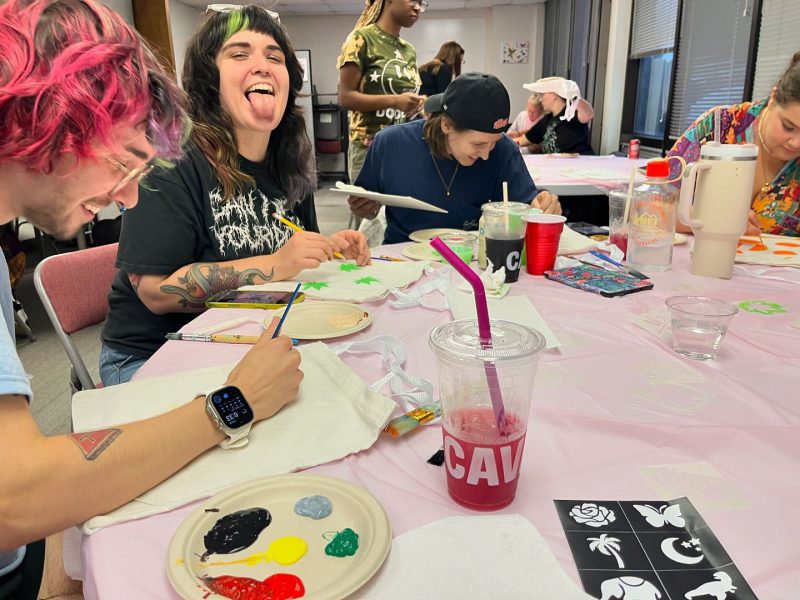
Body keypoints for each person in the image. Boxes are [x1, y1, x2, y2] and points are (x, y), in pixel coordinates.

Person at [0, 0, 302, 596]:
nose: (132, 201)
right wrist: (230, 405)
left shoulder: (285, 167)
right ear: (57, 114)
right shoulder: (186, 170)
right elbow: (15, 496)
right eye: (126, 158)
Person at [100, 6, 370, 385]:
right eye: (239, 53)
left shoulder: (290, 162)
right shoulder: (173, 158)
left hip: (249, 342)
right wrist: (276, 264)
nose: (262, 66)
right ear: (211, 78)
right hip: (155, 354)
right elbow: (155, 292)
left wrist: (326, 245)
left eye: (274, 57)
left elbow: (289, 248)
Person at [347, 73, 561, 244]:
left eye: (494, 142)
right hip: (402, 257)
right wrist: (364, 207)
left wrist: (543, 202)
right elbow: (368, 204)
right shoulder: (391, 144)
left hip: (472, 261)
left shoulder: (504, 151)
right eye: (478, 144)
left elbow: (526, 203)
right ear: (447, 126)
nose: (487, 154)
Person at [668, 52, 800, 237]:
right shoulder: (718, 128)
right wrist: (716, 221)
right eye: (788, 126)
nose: (796, 143)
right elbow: (650, 207)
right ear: (773, 97)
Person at [337, 0, 424, 185]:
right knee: (368, 212)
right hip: (368, 148)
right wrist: (394, 101)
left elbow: (406, 100)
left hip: (401, 146)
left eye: (421, 2)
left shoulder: (409, 50)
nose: (417, 7)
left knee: (398, 212)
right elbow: (345, 97)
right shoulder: (361, 39)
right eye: (413, 0)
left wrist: (418, 103)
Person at [521, 77, 595, 155]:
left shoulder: (571, 113)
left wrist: (574, 97)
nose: (540, 99)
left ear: (553, 94)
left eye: (542, 95)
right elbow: (523, 140)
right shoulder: (546, 120)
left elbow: (589, 114)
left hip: (580, 164)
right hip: (559, 165)